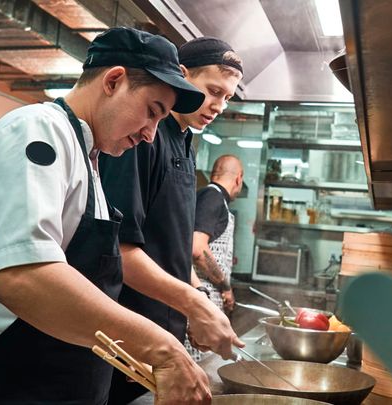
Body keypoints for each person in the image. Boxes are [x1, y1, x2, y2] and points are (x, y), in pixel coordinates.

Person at [0, 27, 214, 405]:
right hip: (4, 385)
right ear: (113, 81)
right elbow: (24, 277)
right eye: (151, 112)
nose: (150, 135)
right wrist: (161, 348)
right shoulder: (36, 130)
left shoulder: (89, 158)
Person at [99, 37, 245, 404]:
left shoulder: (184, 142)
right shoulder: (140, 138)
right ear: (182, 76)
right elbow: (120, 249)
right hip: (127, 333)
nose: (219, 106)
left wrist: (194, 301)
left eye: (227, 97)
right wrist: (194, 305)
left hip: (162, 335)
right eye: (213, 91)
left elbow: (173, 244)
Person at [185, 155, 243, 362]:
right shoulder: (213, 197)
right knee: (195, 364)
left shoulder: (206, 196)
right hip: (201, 299)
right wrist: (225, 286)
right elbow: (197, 248)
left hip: (201, 303)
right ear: (239, 179)